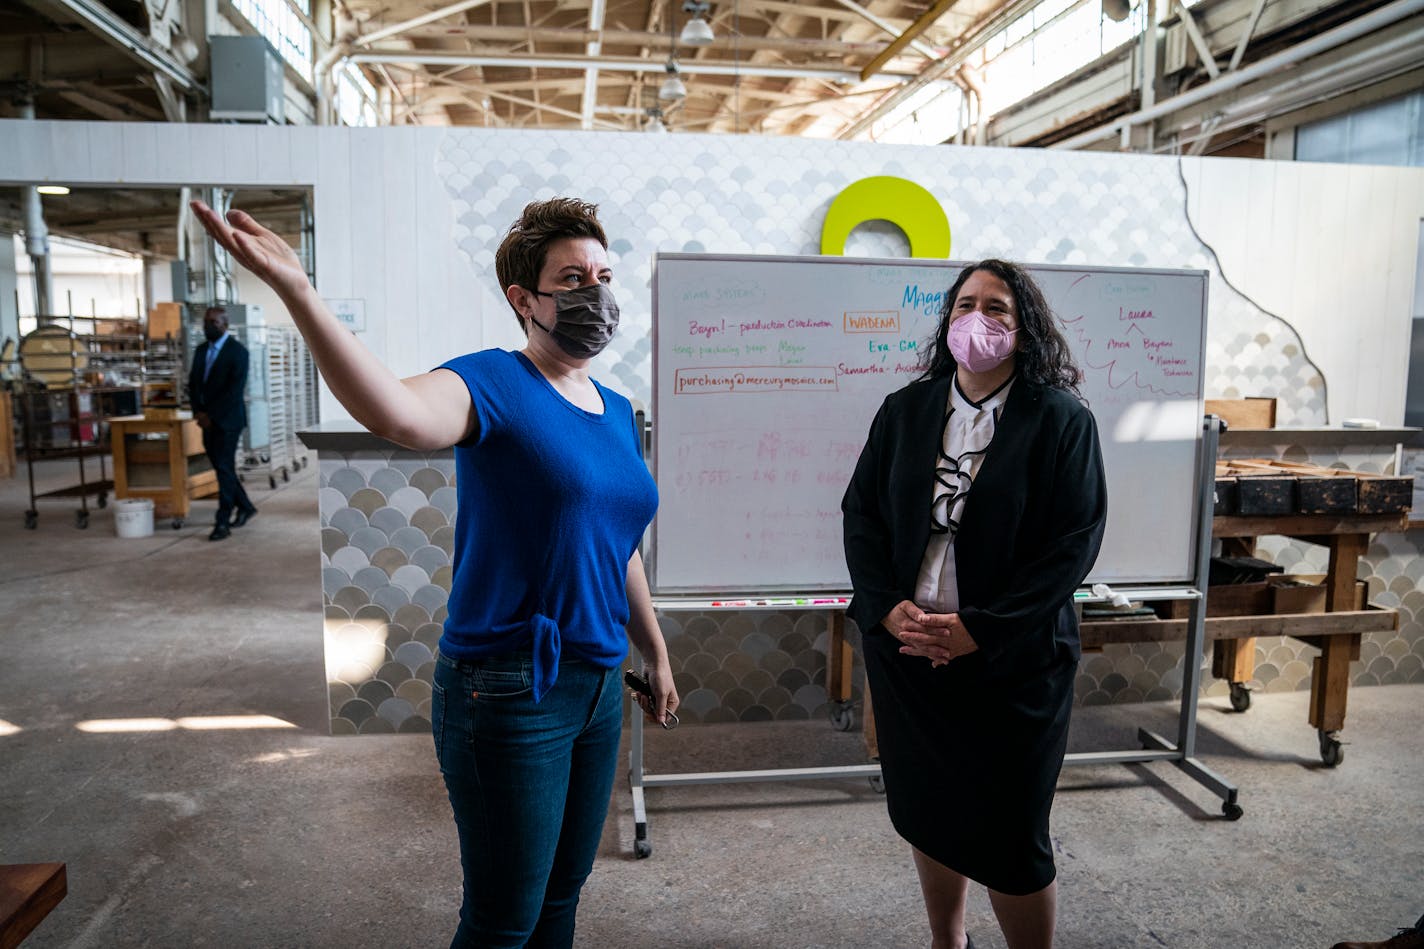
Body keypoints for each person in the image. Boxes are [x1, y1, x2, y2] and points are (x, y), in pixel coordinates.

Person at [191, 196, 679, 948]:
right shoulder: (493, 382)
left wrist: (654, 647)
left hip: (596, 685)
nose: (597, 294)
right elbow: (393, 411)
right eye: (573, 277)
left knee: (560, 899)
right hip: (509, 689)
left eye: (604, 274)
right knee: (503, 919)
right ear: (524, 300)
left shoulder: (615, 411)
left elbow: (617, 543)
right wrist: (299, 290)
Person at [841, 259, 1108, 949]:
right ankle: (947, 939)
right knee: (930, 810)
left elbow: (1072, 546)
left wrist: (980, 631)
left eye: (997, 308)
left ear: (1024, 331)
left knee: (1011, 830)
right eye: (966, 304)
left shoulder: (1061, 420)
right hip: (909, 654)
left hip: (1015, 664)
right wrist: (885, 607)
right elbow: (861, 515)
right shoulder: (906, 409)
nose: (977, 320)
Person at [187, 305, 257, 541]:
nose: (208, 327)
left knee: (224, 468)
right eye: (206, 322)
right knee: (221, 468)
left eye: (213, 323)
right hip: (205, 420)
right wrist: (198, 412)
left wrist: (211, 416)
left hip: (228, 421)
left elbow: (233, 392)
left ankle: (222, 521)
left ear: (225, 325)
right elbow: (193, 384)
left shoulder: (238, 352)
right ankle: (246, 506)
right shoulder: (200, 351)